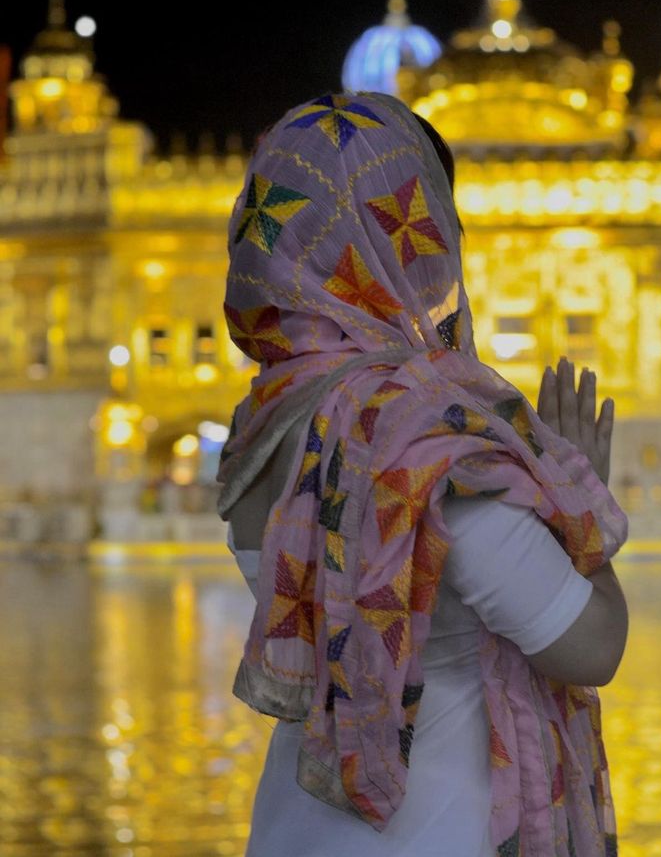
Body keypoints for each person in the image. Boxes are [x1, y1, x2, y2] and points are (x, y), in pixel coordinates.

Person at [215, 91, 629, 857]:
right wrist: (580, 506)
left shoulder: (263, 424)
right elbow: (591, 648)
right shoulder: (430, 442)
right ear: (405, 239)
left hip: (293, 827)